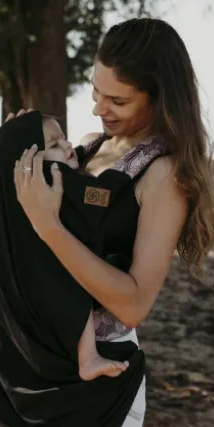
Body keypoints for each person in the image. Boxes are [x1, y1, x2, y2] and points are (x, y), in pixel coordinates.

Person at [0, 17, 214, 427]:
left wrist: (50, 227)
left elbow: (132, 303)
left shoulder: (164, 175)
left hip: (97, 388)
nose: (98, 110)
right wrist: (16, 146)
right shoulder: (87, 150)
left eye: (118, 99)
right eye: (95, 92)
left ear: (159, 98)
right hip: (41, 377)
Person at [39, 113, 131, 381]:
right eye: (54, 145)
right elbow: (101, 198)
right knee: (80, 304)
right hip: (67, 267)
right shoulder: (63, 179)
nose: (67, 145)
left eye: (63, 138)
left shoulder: (33, 181)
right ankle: (88, 358)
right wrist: (118, 179)